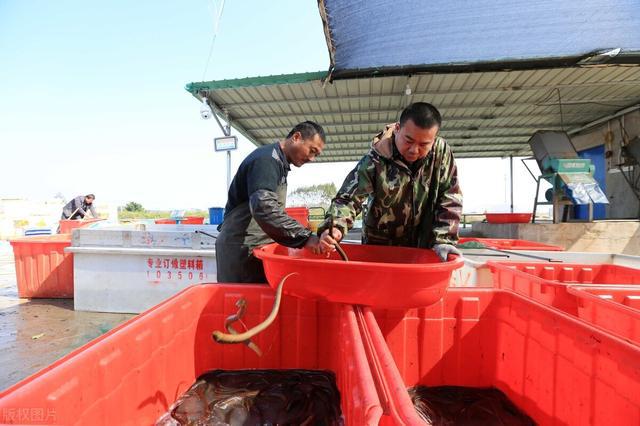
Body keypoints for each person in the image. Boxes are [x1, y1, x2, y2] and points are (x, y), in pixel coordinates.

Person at [318, 102, 463, 261]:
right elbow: (349, 198)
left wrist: (444, 239)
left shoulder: (441, 153)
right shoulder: (377, 158)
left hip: (424, 246)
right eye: (408, 140)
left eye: (423, 145)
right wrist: (336, 227)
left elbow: (450, 195)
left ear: (434, 139)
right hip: (381, 246)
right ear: (398, 129)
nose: (414, 150)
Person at [215, 121, 326, 283]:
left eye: (316, 155)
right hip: (242, 249)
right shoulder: (266, 160)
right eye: (312, 150)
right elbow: (264, 207)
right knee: (242, 304)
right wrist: (306, 238)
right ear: (296, 137)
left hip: (256, 248)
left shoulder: (280, 164)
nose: (312, 158)